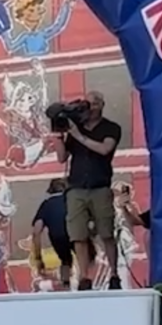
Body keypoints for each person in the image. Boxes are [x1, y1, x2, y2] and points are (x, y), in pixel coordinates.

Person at [59, 91, 122, 290]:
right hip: (76, 187)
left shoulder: (111, 128)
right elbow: (62, 158)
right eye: (87, 104)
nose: (89, 107)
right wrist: (58, 138)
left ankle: (113, 274)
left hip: (100, 186)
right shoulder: (75, 129)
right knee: (79, 235)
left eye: (94, 104)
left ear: (101, 105)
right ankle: (85, 277)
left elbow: (105, 149)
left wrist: (79, 136)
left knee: (106, 233)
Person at [28, 177, 74, 292]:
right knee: (85, 255)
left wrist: (38, 258)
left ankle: (66, 285)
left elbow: (36, 231)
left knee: (65, 260)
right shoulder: (72, 200)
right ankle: (86, 283)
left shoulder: (46, 205)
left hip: (57, 236)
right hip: (74, 233)